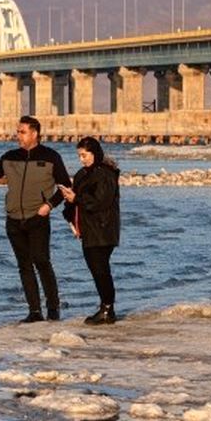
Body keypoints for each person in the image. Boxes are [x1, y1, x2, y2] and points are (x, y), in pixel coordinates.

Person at [0, 115, 71, 323]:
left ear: (34, 133)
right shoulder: (10, 156)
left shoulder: (51, 156)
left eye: (22, 132)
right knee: (24, 266)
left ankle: (53, 309)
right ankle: (34, 312)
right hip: (13, 219)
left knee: (42, 262)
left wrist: (49, 205)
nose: (18, 135)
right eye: (17, 131)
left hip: (38, 217)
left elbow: (65, 187)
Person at [57, 136, 120, 324]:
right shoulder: (81, 174)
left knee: (101, 269)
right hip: (88, 228)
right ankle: (105, 307)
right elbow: (77, 200)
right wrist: (68, 207)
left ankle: (108, 309)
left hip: (103, 228)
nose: (82, 159)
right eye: (79, 156)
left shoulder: (106, 174)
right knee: (96, 269)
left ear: (95, 153)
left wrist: (76, 198)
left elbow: (101, 202)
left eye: (84, 155)